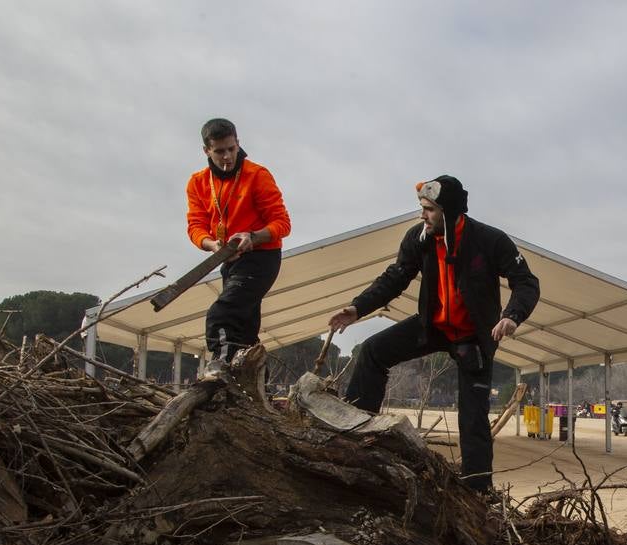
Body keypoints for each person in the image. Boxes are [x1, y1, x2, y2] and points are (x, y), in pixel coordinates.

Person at [328, 176, 539, 492]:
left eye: (428, 209)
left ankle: (477, 492)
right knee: (372, 351)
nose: (422, 215)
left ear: (449, 211)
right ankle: (358, 436)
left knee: (473, 421)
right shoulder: (419, 238)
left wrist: (512, 316)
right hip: (433, 326)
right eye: (421, 208)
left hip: (472, 337)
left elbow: (526, 282)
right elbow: (395, 277)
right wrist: (358, 308)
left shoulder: (489, 240)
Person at [185, 118, 291, 374]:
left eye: (231, 149)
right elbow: (195, 225)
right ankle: (255, 388)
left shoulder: (257, 175)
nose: (227, 157)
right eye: (220, 151)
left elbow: (282, 223)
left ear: (238, 144)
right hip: (228, 260)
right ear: (206, 151)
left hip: (262, 258)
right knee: (244, 327)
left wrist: (252, 237)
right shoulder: (198, 182)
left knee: (222, 314)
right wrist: (211, 244)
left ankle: (219, 373)